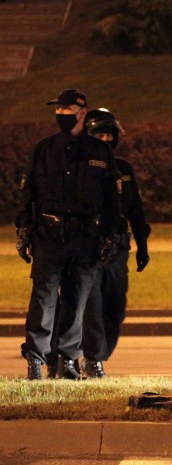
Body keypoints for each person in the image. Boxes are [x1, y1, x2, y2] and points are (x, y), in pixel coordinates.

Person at [16, 89, 123, 380]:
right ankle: (36, 359)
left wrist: (112, 235)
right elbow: (28, 193)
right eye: (58, 110)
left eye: (67, 110)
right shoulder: (44, 149)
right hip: (49, 235)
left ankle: (68, 360)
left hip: (86, 236)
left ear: (81, 113)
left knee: (77, 301)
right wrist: (24, 228)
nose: (61, 115)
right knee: (43, 298)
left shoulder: (99, 152)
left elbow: (112, 199)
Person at [75, 108, 151, 378]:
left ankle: (97, 355)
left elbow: (136, 210)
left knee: (115, 307)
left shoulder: (124, 170)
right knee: (91, 305)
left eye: (110, 134)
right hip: (90, 245)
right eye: (100, 134)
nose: (106, 139)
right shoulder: (81, 166)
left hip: (119, 246)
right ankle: (93, 360)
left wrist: (142, 245)